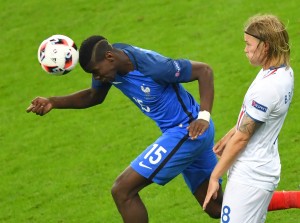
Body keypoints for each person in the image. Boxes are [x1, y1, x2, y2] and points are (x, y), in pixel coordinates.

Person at [27, 35, 223, 222]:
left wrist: (204, 117)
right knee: (215, 208)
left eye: (96, 72)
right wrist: (53, 102)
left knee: (122, 191)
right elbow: (93, 96)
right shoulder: (111, 65)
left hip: (187, 131)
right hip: (188, 135)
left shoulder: (154, 67)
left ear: (110, 57)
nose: (97, 77)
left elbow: (204, 71)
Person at [203, 14, 295, 222]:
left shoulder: (268, 88)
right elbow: (249, 122)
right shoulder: (281, 71)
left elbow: (243, 137)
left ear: (266, 46)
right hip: (258, 167)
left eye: (248, 44)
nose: (245, 49)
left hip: (252, 175)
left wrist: (214, 175)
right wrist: (229, 136)